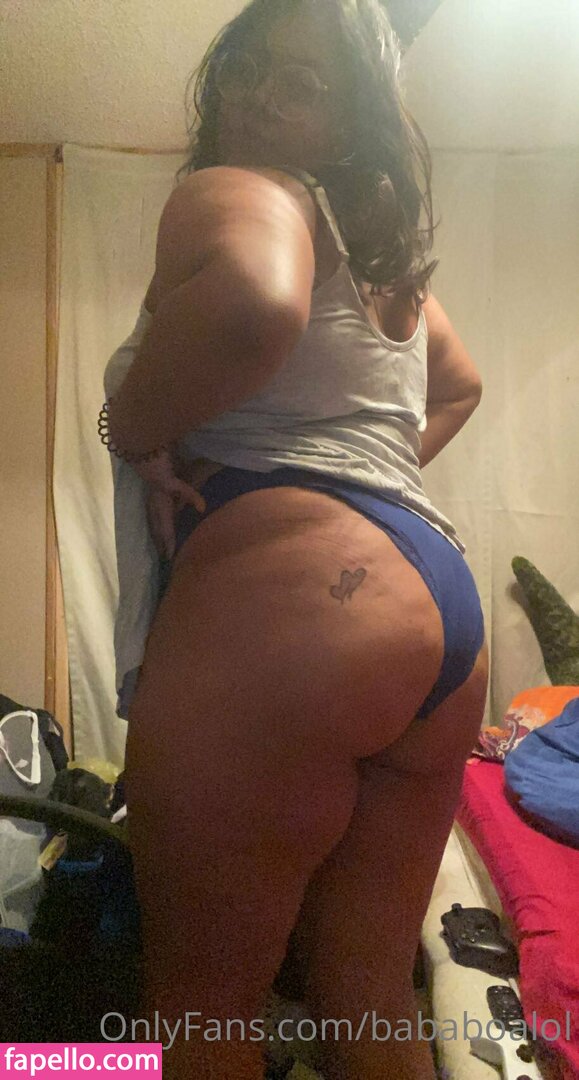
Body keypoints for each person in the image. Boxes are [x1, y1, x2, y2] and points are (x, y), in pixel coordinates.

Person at [102, 1, 488, 1076]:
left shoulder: (241, 191)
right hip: (435, 617)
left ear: (350, 117)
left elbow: (254, 305)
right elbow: (459, 385)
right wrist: (367, 487)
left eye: (302, 85)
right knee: (366, 997)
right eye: (248, 67)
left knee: (203, 1011)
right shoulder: (382, 264)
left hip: (294, 606)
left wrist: (130, 429)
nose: (258, 99)